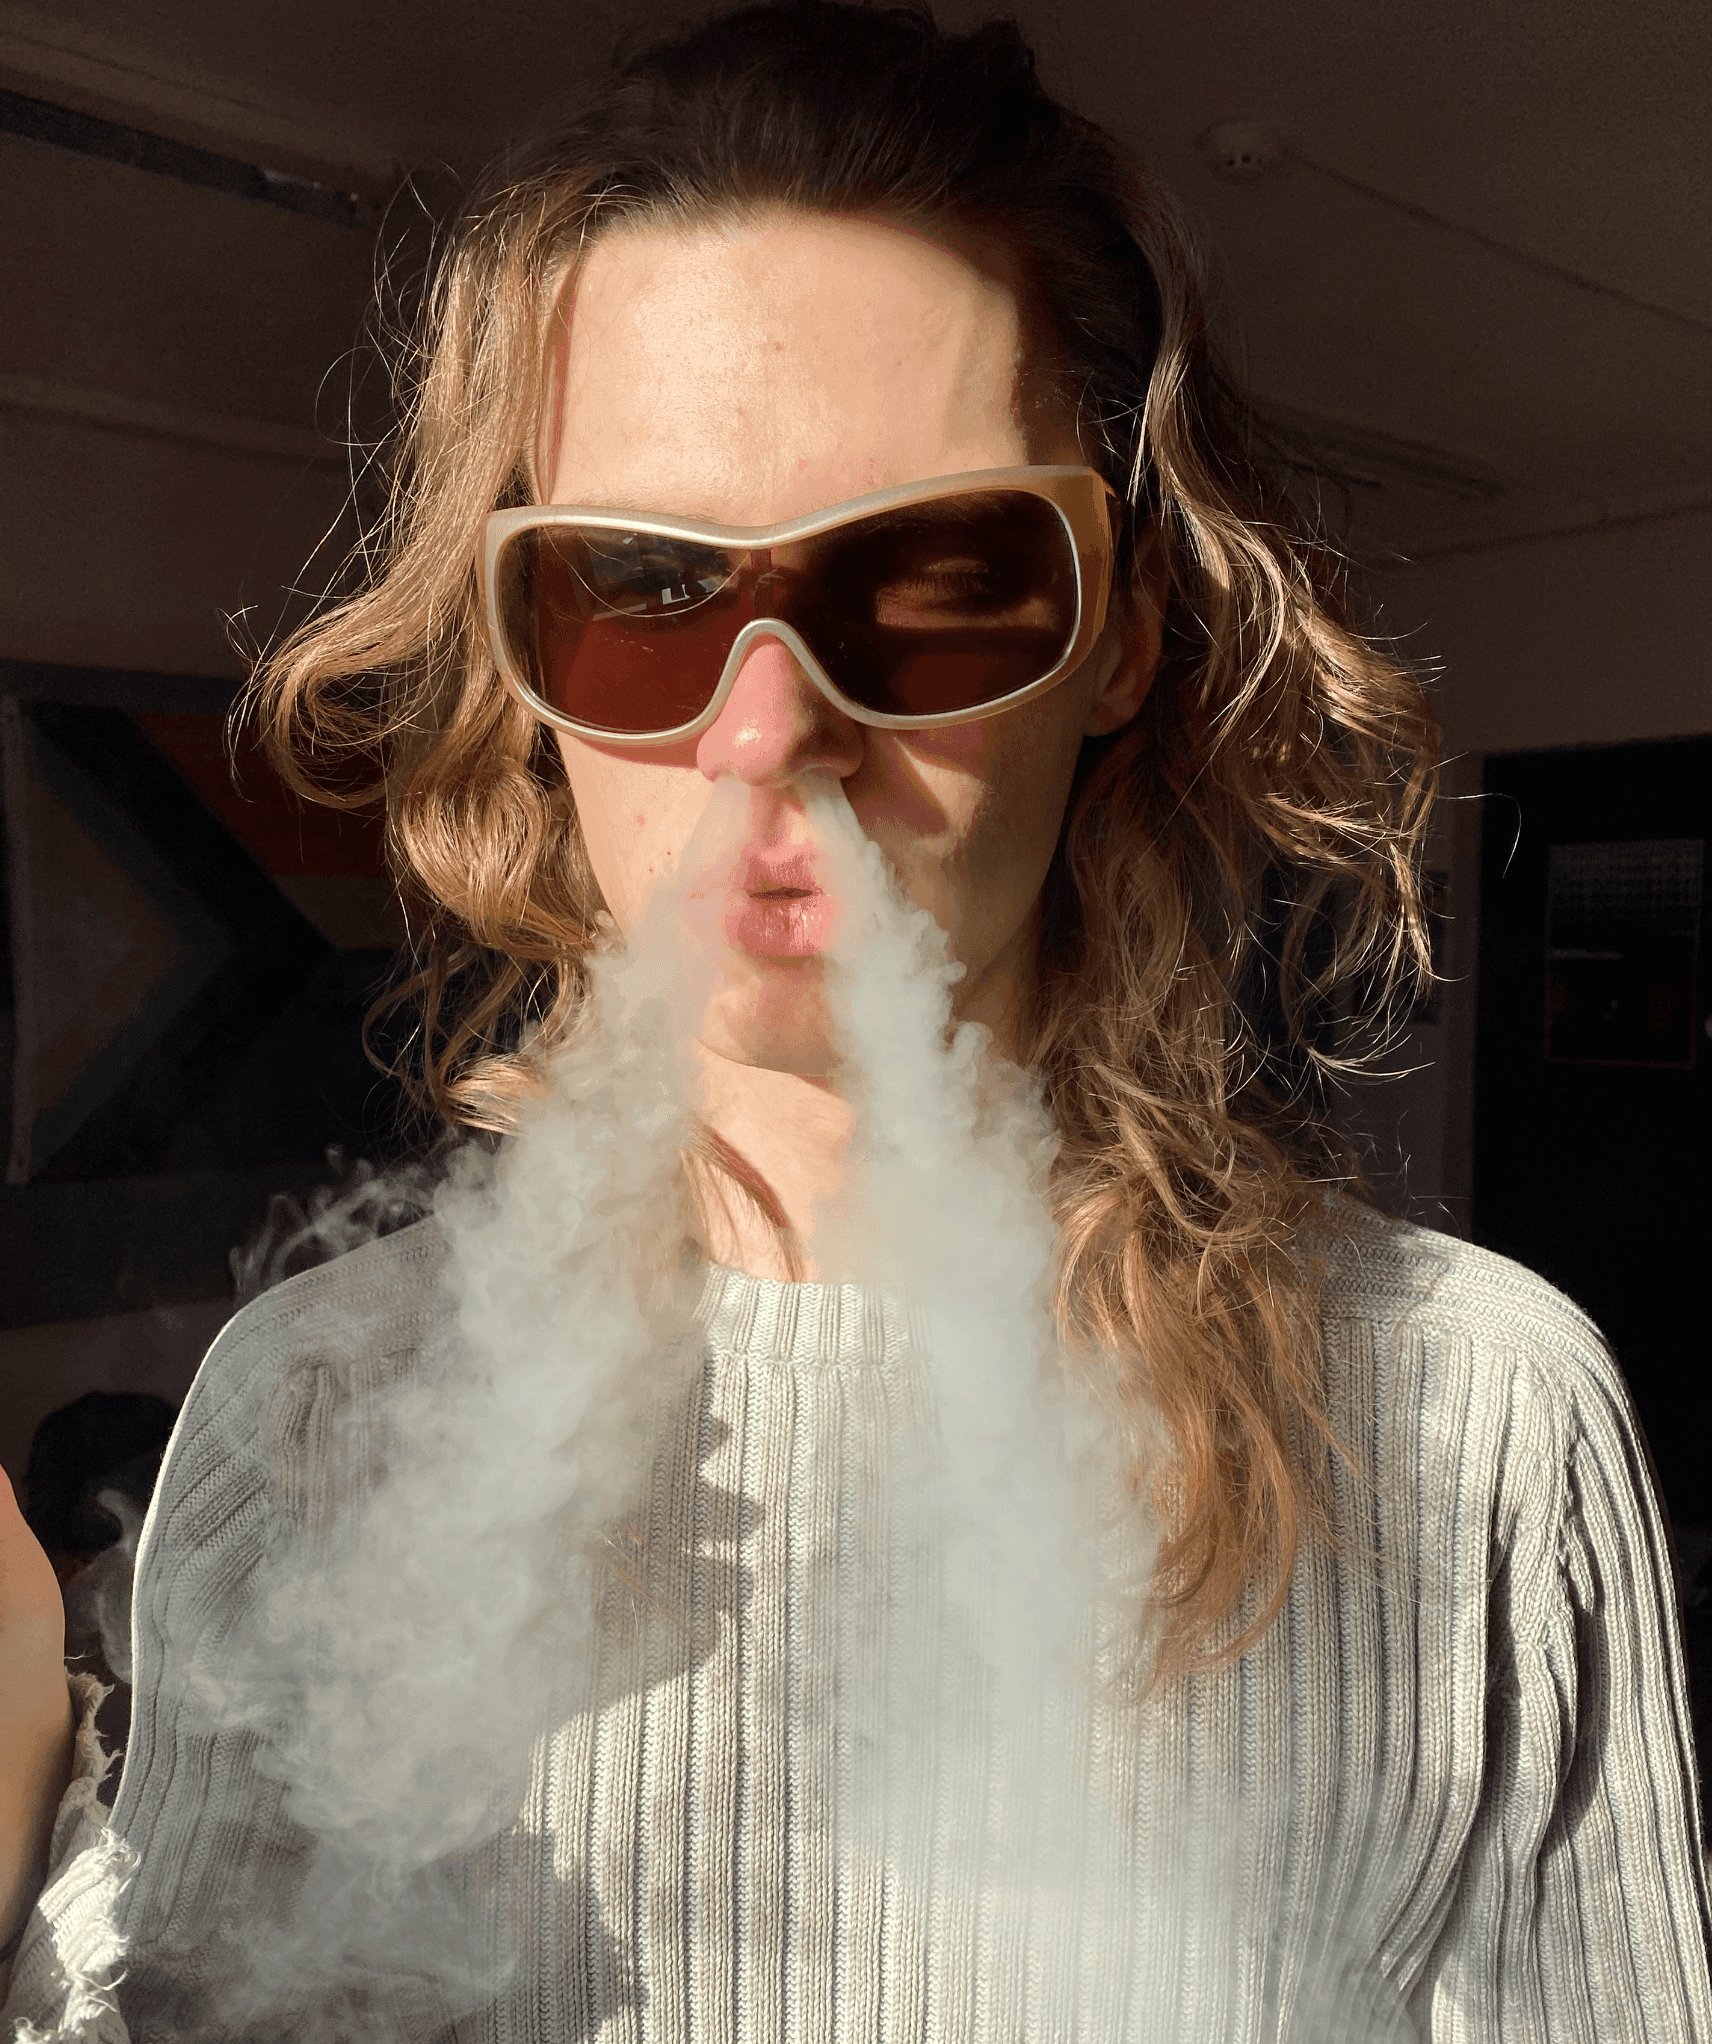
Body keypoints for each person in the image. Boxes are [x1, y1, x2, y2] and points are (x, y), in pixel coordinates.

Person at [3, 5, 1708, 2038]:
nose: (765, 732)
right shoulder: (306, 1417)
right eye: (640, 581)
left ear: (1120, 635)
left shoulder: (1471, 1430)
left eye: (931, 576)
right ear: (519, 648)